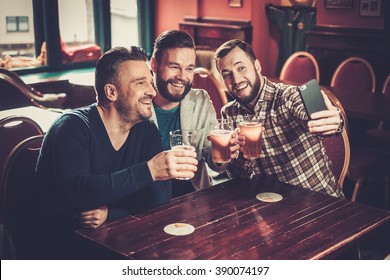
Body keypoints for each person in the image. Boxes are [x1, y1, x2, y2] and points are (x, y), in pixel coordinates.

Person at [26, 46, 198, 259]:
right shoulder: (72, 127)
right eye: (140, 83)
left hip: (114, 243)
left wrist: (112, 212)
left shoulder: (145, 129)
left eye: (150, 82)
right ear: (111, 92)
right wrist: (150, 170)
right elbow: (78, 193)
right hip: (58, 251)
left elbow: (160, 196)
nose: (152, 92)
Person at [214, 39, 344, 197]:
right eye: (227, 75)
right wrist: (240, 155)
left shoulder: (289, 96)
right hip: (271, 205)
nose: (236, 79)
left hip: (318, 200)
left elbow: (315, 117)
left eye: (241, 68)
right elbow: (238, 177)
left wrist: (336, 122)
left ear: (257, 66)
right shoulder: (229, 113)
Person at [149, 30, 239, 197]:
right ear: (154, 65)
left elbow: (213, 162)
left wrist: (223, 154)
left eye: (189, 68)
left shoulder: (200, 101)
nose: (182, 77)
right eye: (174, 66)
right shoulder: (137, 103)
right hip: (148, 203)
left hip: (195, 198)